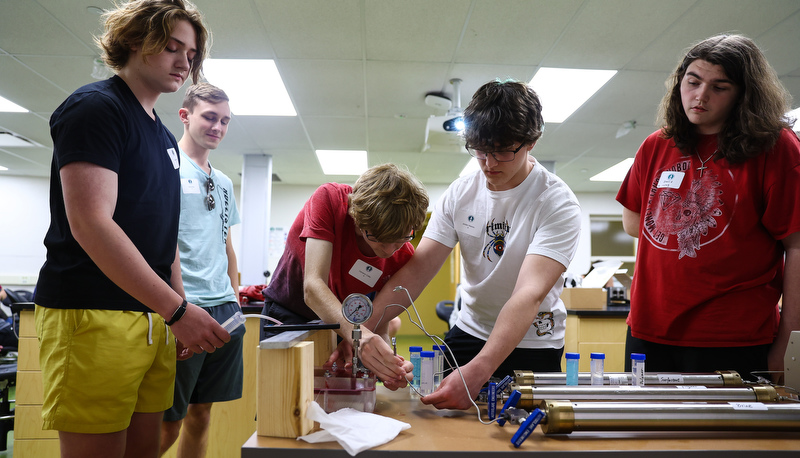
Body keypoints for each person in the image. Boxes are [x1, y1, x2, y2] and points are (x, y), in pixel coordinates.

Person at [33, 1, 229, 457]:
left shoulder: (162, 136)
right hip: (93, 314)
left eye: (192, 53)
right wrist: (177, 312)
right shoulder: (95, 108)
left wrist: (177, 310)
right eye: (171, 47)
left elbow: (167, 237)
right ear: (135, 42)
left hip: (152, 319)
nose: (185, 62)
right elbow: (91, 224)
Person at [363, 80, 582, 409]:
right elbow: (417, 271)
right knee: (445, 429)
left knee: (527, 435)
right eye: (480, 150)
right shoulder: (460, 193)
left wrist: (481, 367)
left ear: (532, 142)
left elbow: (528, 294)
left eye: (504, 151)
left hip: (534, 342)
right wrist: (361, 334)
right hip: (469, 330)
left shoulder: (557, 203)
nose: (489, 163)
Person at [616, 34, 800, 383]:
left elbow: (797, 245)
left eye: (720, 86)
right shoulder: (658, 144)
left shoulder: (776, 148)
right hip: (649, 329)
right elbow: (632, 222)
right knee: (648, 433)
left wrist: (790, 343)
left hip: (730, 336)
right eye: (693, 81)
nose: (700, 96)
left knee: (722, 437)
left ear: (745, 94)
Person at [261, 163, 429, 387]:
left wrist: (386, 365)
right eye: (377, 238)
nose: (389, 250)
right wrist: (361, 336)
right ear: (357, 222)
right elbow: (313, 287)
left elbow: (379, 325)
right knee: (282, 399)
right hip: (290, 314)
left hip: (346, 327)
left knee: (341, 406)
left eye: (400, 240)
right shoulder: (330, 200)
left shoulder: (402, 258)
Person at [159, 83, 243, 457]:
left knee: (202, 414)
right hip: (186, 307)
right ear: (185, 115)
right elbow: (166, 242)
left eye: (225, 120)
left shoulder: (223, 182)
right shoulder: (166, 167)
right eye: (210, 117)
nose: (218, 127)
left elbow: (226, 246)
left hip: (225, 308)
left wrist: (236, 301)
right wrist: (178, 308)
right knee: (166, 425)